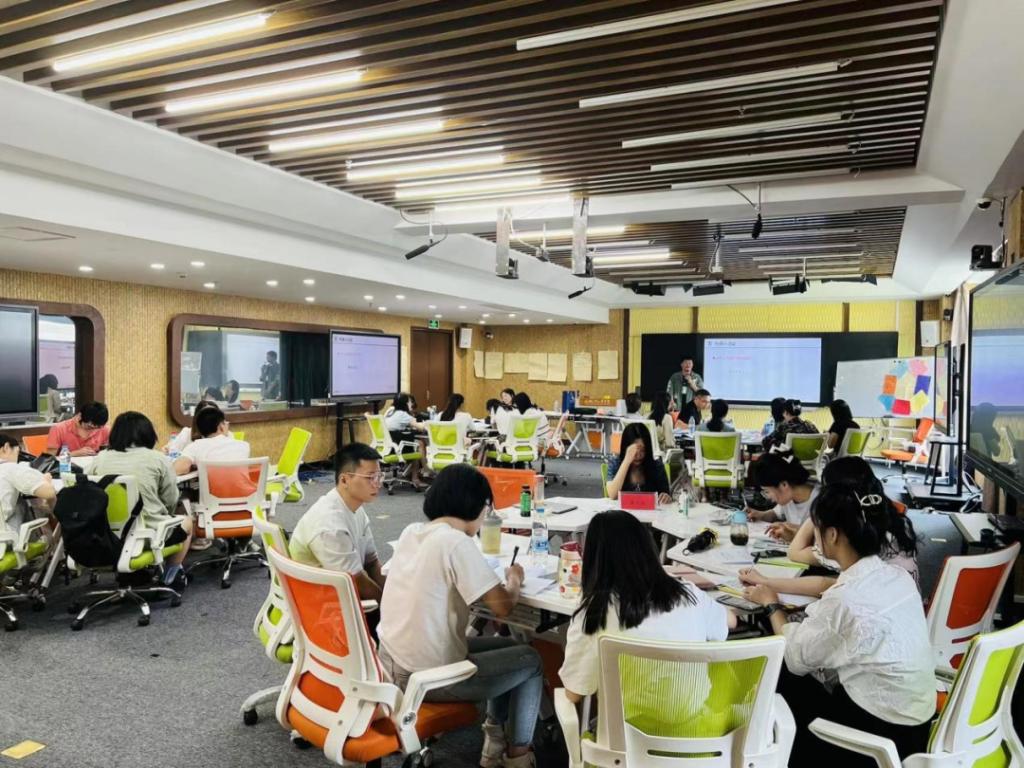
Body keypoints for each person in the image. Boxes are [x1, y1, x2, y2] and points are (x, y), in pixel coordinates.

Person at [744, 481, 936, 767]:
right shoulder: (896, 576)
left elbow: (795, 657)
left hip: (876, 736)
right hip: (916, 727)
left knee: (776, 668)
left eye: (817, 527)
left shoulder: (845, 600)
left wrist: (771, 605)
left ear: (832, 534)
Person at [378, 464, 542, 768]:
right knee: (531, 661)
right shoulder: (455, 541)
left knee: (512, 649)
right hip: (428, 677)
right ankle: (517, 755)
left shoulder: (412, 532)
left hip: (391, 665)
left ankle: (494, 740)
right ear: (477, 505)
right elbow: (502, 607)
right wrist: (514, 579)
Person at [559, 510, 735, 702]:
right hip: (697, 718)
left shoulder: (594, 613)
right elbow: (731, 621)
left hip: (627, 721)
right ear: (648, 548)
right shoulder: (687, 593)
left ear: (593, 559)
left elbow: (574, 694)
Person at [740, 456, 920, 597]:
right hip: (906, 608)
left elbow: (797, 555)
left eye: (826, 492)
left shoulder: (854, 535)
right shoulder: (887, 518)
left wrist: (818, 511)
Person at [91, 412, 191, 587]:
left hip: (106, 535)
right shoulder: (157, 459)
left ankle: (132, 574)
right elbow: (171, 499)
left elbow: (88, 488)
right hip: (147, 534)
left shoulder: (100, 458)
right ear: (148, 433)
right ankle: (171, 576)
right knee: (187, 521)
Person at [289, 443, 385, 601]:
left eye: (379, 476)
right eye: (370, 477)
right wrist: (390, 607)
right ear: (345, 480)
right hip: (323, 602)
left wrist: (393, 596)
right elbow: (356, 582)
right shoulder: (329, 524)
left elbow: (371, 562)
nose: (377, 483)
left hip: (342, 592)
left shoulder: (355, 508)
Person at [745, 449, 818, 542]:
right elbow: (776, 513)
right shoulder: (789, 494)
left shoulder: (822, 501)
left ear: (784, 485)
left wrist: (795, 535)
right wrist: (761, 515)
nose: (769, 497)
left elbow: (825, 543)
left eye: (767, 491)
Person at [0, 433, 56, 534]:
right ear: (6, 447)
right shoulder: (10, 468)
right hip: (3, 536)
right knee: (21, 505)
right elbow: (49, 492)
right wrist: (46, 480)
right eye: (17, 453)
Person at [172, 407, 250, 476]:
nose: (227, 425)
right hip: (246, 489)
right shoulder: (244, 445)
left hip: (213, 489)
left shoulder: (195, 446)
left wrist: (192, 466)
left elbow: (176, 469)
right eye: (225, 423)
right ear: (221, 426)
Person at [607, 422, 671, 503]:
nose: (638, 455)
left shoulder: (657, 466)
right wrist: (626, 460)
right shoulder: (616, 463)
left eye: (643, 450)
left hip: (650, 510)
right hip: (622, 510)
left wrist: (666, 497)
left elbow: (666, 493)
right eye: (634, 451)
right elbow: (612, 494)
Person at [384, 393, 427, 490]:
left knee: (417, 443)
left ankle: (414, 474)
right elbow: (420, 428)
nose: (411, 403)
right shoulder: (403, 414)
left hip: (387, 446)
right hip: (396, 448)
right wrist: (427, 423)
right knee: (418, 445)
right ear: (405, 403)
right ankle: (419, 476)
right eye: (409, 401)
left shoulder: (391, 411)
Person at [46, 401, 110, 457]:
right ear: (80, 416)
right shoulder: (59, 429)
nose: (93, 429)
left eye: (98, 427)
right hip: (67, 466)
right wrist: (73, 454)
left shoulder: (104, 429)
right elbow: (49, 459)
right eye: (89, 426)